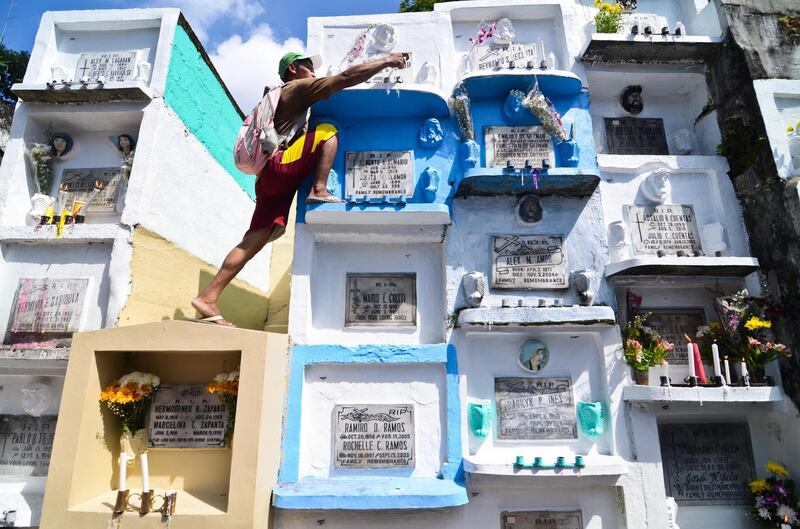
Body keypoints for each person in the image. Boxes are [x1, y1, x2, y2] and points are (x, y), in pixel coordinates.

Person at [191, 50, 408, 325]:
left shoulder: (276, 97)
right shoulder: (296, 89)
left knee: (253, 241)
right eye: (308, 65)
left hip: (266, 180)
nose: (313, 72)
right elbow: (344, 77)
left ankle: (208, 297)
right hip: (278, 166)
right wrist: (387, 60)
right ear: (293, 68)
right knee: (328, 129)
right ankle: (319, 189)